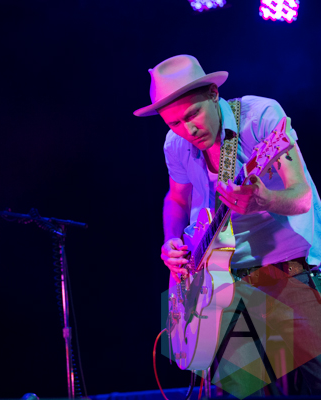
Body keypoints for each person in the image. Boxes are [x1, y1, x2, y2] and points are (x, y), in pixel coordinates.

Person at [134, 55, 321, 396]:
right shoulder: (174, 144)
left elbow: (302, 197)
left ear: (213, 93)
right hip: (221, 286)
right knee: (239, 393)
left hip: (289, 272)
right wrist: (170, 239)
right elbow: (176, 199)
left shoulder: (259, 116)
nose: (187, 130)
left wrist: (264, 200)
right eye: (174, 123)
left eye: (192, 114)